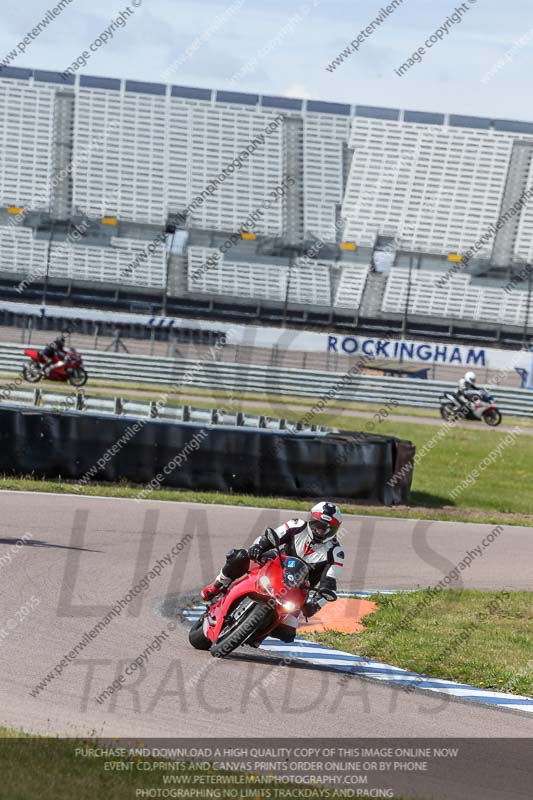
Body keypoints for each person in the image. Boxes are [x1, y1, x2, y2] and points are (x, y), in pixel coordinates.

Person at [201, 501, 345, 643]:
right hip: (275, 564)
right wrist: (258, 547)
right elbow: (271, 536)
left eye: (327, 529)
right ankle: (218, 584)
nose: (321, 531)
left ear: (335, 530)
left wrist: (315, 605)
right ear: (311, 521)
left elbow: (330, 582)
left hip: (298, 588)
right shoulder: (296, 525)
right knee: (239, 557)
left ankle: (256, 635)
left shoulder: (336, 552)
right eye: (318, 526)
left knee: (287, 632)